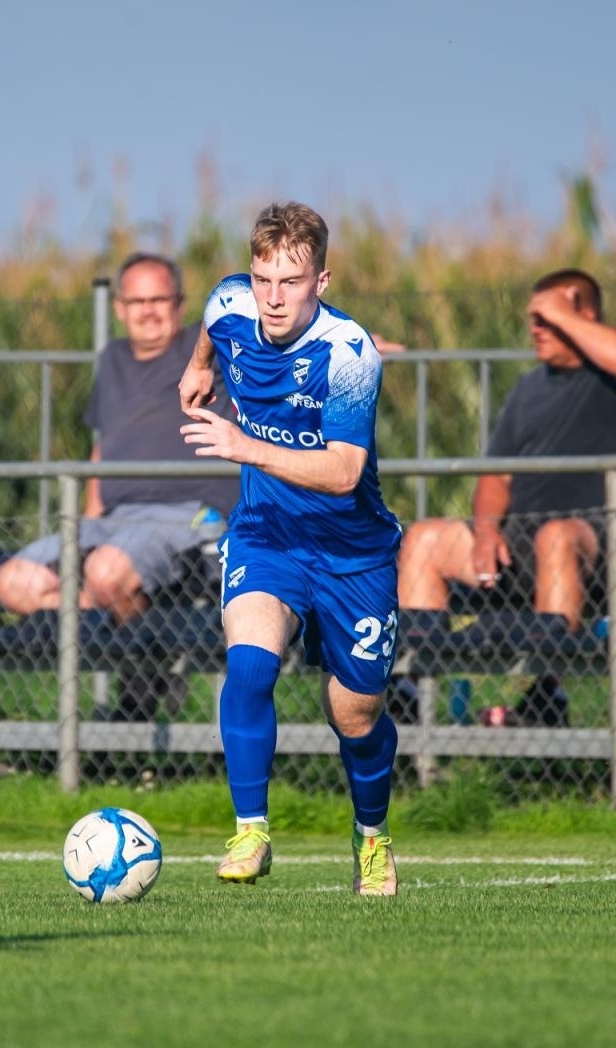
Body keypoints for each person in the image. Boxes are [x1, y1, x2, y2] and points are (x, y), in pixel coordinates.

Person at [178, 201, 403, 895]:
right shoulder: (229, 303)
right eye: (262, 279)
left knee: (354, 714)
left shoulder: (350, 353)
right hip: (267, 535)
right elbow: (213, 328)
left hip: (352, 552)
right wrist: (199, 367)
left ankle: (371, 838)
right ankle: (252, 830)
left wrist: (246, 445)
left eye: (291, 282)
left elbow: (340, 472)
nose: (273, 298)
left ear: (322, 281)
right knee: (249, 664)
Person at [396, 269, 616, 721]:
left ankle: (545, 699)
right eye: (534, 317)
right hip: (526, 541)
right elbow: (496, 478)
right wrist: (485, 532)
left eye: (547, 317)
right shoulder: (528, 389)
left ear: (585, 314)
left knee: (556, 537)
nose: (535, 327)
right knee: (425, 539)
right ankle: (407, 701)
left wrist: (563, 313)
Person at [0, 253, 238, 720]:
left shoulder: (206, 352)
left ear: (180, 304)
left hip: (191, 515)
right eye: (136, 300)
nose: (147, 310)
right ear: (119, 308)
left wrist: (351, 345)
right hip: (116, 520)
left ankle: (144, 677)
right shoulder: (113, 359)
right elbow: (102, 447)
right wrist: (87, 519)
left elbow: (277, 345)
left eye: (159, 299)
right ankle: (148, 641)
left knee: (107, 573)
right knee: (13, 583)